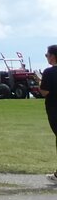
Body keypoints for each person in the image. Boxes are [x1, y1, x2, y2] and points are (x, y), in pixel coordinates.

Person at [39, 45, 57, 184]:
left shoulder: (49, 72)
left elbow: (44, 91)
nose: (47, 57)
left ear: (52, 56)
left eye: (47, 55)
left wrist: (39, 82)